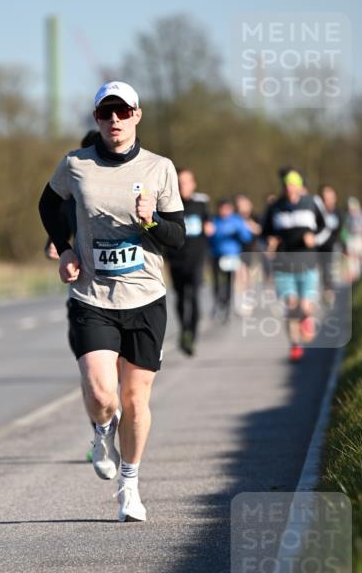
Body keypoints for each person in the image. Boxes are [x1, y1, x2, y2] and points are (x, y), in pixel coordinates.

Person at [38, 81, 184, 522]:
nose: (115, 120)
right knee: (103, 393)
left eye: (123, 112)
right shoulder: (76, 165)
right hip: (93, 296)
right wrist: (64, 248)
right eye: (106, 113)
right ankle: (102, 431)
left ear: (137, 115)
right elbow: (47, 205)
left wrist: (150, 221)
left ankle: (130, 488)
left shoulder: (160, 168)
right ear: (96, 118)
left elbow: (177, 240)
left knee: (136, 399)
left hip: (145, 298)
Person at [262, 170, 331, 361]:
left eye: (293, 184)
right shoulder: (275, 206)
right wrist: (270, 242)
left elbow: (326, 227)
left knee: (305, 306)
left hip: (307, 263)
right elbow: (263, 233)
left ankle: (307, 319)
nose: (289, 188)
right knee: (291, 305)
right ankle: (295, 345)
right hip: (283, 264)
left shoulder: (312, 202)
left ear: (300, 186)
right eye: (286, 185)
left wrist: (314, 239)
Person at [165, 168, 210, 355]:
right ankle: (184, 330)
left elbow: (208, 224)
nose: (183, 185)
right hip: (176, 259)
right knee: (181, 297)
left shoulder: (201, 205)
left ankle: (192, 333)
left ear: (193, 184)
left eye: (186, 182)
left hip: (196, 258)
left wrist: (210, 228)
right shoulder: (168, 205)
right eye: (180, 182)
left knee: (194, 296)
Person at [44, 130, 100, 260]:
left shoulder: (130, 186)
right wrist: (57, 246)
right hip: (86, 273)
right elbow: (59, 229)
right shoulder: (71, 198)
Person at [206, 198, 254, 322]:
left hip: (232, 256)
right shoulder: (215, 221)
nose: (224, 212)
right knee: (217, 282)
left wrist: (238, 233)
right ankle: (218, 303)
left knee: (229, 282)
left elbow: (247, 237)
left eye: (226, 209)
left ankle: (227, 306)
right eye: (222, 209)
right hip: (217, 255)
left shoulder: (237, 221)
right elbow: (209, 238)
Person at [317, 183, 344, 305]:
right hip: (319, 247)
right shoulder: (317, 213)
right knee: (322, 270)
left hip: (334, 245)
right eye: (325, 198)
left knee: (332, 269)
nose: (328, 201)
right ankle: (325, 291)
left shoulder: (339, 213)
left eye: (330, 197)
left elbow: (342, 231)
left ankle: (331, 292)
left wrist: (345, 246)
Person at [342, 196, 362, 282]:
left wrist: (360, 229)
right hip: (351, 239)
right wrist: (345, 239)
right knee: (352, 258)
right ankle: (355, 277)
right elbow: (344, 230)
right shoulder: (347, 216)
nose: (352, 209)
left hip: (361, 238)